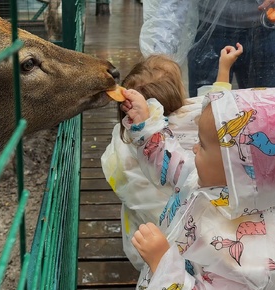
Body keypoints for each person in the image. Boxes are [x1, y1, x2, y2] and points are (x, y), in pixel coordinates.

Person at [120, 63, 275, 288]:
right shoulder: (223, 183)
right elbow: (174, 164)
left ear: (236, 167)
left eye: (203, 144)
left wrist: (163, 265)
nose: (194, 149)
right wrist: (146, 123)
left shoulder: (257, 259)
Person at [101, 46, 242, 270]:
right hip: (202, 229)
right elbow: (219, 105)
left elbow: (126, 176)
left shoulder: (133, 140)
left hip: (153, 233)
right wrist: (224, 69)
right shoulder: (199, 120)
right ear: (179, 92)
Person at [139, 0, 275, 97]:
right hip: (209, 31)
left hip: (270, 27)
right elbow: (173, 4)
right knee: (207, 117)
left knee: (268, 117)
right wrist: (159, 55)